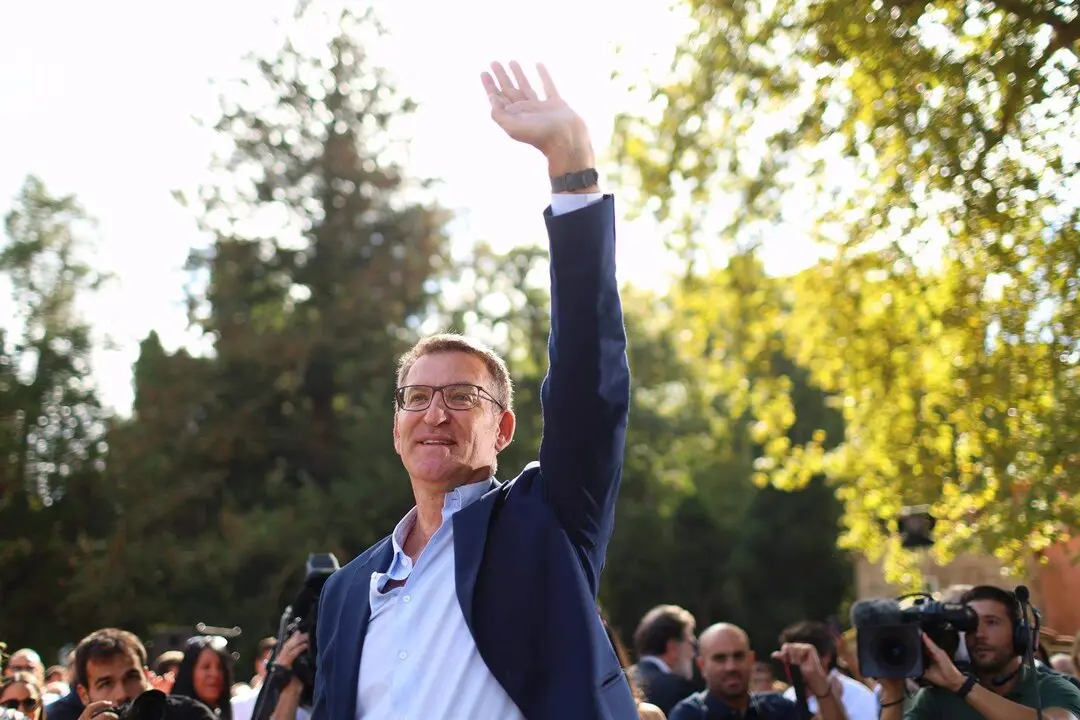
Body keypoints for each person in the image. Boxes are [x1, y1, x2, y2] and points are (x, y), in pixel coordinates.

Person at [313, 60, 635, 720]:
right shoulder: (346, 592)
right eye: (417, 397)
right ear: (396, 422)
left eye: (462, 397)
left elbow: (587, 385)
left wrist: (571, 168)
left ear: (504, 428)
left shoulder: (546, 521)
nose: (436, 413)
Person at [878, 585, 1080, 720]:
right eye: (972, 624)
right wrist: (893, 693)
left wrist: (962, 685)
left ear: (1021, 634)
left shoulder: (1056, 687)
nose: (979, 634)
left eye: (991, 622)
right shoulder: (938, 698)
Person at [669, 623, 848, 720]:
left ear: (751, 659)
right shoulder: (689, 714)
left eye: (738, 656)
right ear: (702, 666)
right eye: (720, 658)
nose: (731, 667)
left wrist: (818, 680)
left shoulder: (778, 708)